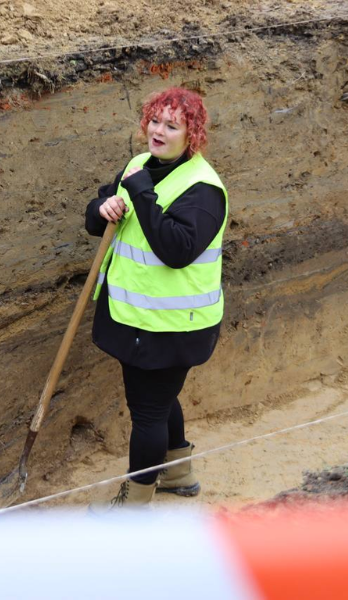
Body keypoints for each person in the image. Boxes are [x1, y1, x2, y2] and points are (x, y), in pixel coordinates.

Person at [84, 87, 229, 510]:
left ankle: (134, 504)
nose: (158, 131)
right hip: (138, 317)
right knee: (159, 400)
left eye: (172, 125)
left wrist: (142, 193)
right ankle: (179, 471)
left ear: (193, 136)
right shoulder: (138, 166)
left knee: (147, 412)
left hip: (174, 326)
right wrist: (102, 208)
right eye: (154, 120)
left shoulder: (204, 191)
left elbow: (177, 250)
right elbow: (98, 217)